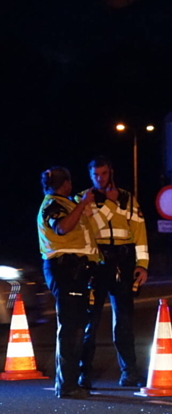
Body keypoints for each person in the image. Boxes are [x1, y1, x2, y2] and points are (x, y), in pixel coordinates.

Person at [78, 157, 149, 388]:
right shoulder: (83, 199)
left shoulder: (127, 198)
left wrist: (142, 265)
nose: (100, 178)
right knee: (90, 321)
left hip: (124, 262)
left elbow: (139, 231)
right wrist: (110, 203)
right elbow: (92, 226)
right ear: (90, 175)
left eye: (104, 174)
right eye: (96, 175)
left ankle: (130, 372)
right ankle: (84, 374)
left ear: (111, 173)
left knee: (125, 321)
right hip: (96, 264)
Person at [37, 167, 100, 399]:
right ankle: (67, 385)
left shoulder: (67, 203)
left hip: (76, 271)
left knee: (76, 326)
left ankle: (72, 382)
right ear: (67, 185)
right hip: (65, 270)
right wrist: (83, 204)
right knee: (70, 328)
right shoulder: (53, 205)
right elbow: (62, 228)